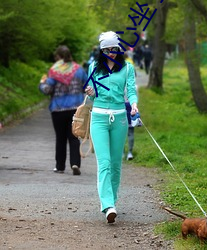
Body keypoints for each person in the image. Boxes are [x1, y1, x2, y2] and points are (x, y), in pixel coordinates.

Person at [85, 31, 138, 223]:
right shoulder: (93, 67)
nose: (111, 53)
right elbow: (91, 97)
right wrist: (90, 92)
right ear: (101, 50)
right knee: (104, 163)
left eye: (114, 49)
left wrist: (133, 104)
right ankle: (107, 205)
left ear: (118, 49)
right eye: (107, 50)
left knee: (116, 164)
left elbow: (131, 90)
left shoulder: (127, 68)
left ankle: (112, 201)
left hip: (120, 119)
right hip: (98, 118)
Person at [39, 45, 88, 175]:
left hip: (58, 109)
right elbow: (87, 86)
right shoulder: (79, 70)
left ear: (58, 57)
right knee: (74, 137)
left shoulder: (54, 71)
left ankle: (60, 166)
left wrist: (42, 83)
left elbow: (47, 90)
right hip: (75, 109)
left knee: (60, 138)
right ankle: (75, 163)